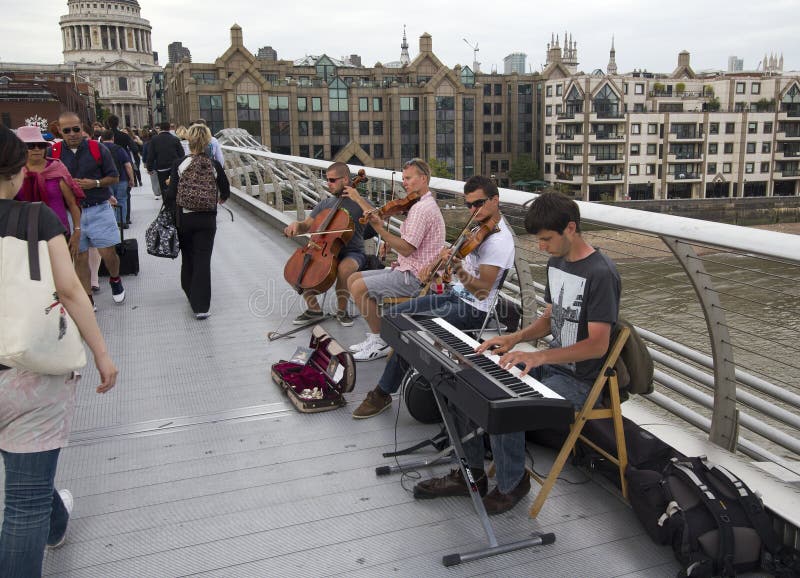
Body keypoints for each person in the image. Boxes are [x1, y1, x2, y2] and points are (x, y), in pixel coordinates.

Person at [413, 191, 621, 516]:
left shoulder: (601, 273)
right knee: (464, 380)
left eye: (547, 239)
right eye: (538, 240)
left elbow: (597, 345)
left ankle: (512, 483)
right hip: (553, 367)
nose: (542, 247)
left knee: (505, 404)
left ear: (570, 228)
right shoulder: (557, 262)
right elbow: (553, 317)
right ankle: (472, 474)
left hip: (581, 382)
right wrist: (517, 338)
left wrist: (538, 357)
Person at [0, 124, 118, 578]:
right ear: (15, 175)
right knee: (23, 506)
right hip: (29, 371)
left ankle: (56, 523)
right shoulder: (35, 219)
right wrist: (102, 354)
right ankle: (47, 521)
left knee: (25, 478)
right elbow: (70, 290)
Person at [352, 175, 514, 418]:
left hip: (473, 311)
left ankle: (383, 392)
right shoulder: (478, 226)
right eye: (469, 204)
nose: (473, 209)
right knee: (395, 315)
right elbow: (456, 252)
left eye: (478, 203)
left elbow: (481, 290)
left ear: (495, 200)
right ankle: (399, 360)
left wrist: (457, 268)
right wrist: (439, 261)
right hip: (455, 295)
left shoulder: (499, 241)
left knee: (412, 331)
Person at [345, 158, 445, 361]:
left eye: (408, 178)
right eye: (403, 179)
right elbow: (410, 242)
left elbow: (407, 249)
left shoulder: (421, 209)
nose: (404, 183)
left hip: (417, 279)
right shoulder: (422, 204)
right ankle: (377, 335)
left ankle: (382, 341)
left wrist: (381, 230)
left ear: (423, 178)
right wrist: (390, 241)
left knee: (357, 287)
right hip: (407, 270)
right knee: (352, 279)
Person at [283, 162, 370, 327]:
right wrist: (296, 225)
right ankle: (314, 310)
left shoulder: (360, 202)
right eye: (327, 180)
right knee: (298, 268)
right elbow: (306, 225)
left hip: (352, 252)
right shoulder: (325, 204)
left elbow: (377, 217)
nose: (328, 184)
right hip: (323, 250)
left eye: (332, 180)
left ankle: (342, 311)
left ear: (345, 179)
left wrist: (358, 199)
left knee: (344, 269)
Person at [55, 111, 125, 307]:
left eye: (76, 129)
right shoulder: (54, 154)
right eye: (66, 130)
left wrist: (94, 183)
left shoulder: (97, 148)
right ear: (60, 131)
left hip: (99, 208)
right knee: (80, 257)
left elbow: (114, 177)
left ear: (82, 128)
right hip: (72, 214)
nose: (72, 134)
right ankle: (87, 298)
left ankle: (115, 279)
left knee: (108, 253)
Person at [164, 123, 231, 319]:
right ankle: (201, 307)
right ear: (208, 141)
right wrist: (219, 198)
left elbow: (171, 195)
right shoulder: (214, 165)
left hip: (184, 218)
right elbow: (225, 190)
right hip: (207, 219)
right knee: (203, 260)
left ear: (188, 140)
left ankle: (190, 292)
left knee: (188, 257)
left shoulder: (179, 163)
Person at [14, 126, 83, 261]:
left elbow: (72, 203)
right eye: (30, 145)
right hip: (24, 236)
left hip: (57, 234)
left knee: (61, 278)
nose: (37, 149)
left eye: (40, 145)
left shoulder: (56, 168)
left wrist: (77, 232)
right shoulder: (13, 173)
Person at [100, 130, 133, 228]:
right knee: (122, 200)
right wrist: (131, 179)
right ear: (113, 138)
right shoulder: (119, 149)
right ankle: (122, 222)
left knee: (109, 201)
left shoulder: (99, 149)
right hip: (121, 178)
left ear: (101, 138)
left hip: (106, 180)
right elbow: (128, 165)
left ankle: (112, 223)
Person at [146, 121, 184, 199]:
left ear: (160, 129)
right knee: (174, 186)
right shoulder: (175, 139)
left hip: (161, 167)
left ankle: (167, 205)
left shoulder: (154, 139)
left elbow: (151, 155)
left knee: (164, 187)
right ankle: (175, 203)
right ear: (169, 128)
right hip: (174, 167)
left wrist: (149, 168)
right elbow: (181, 154)